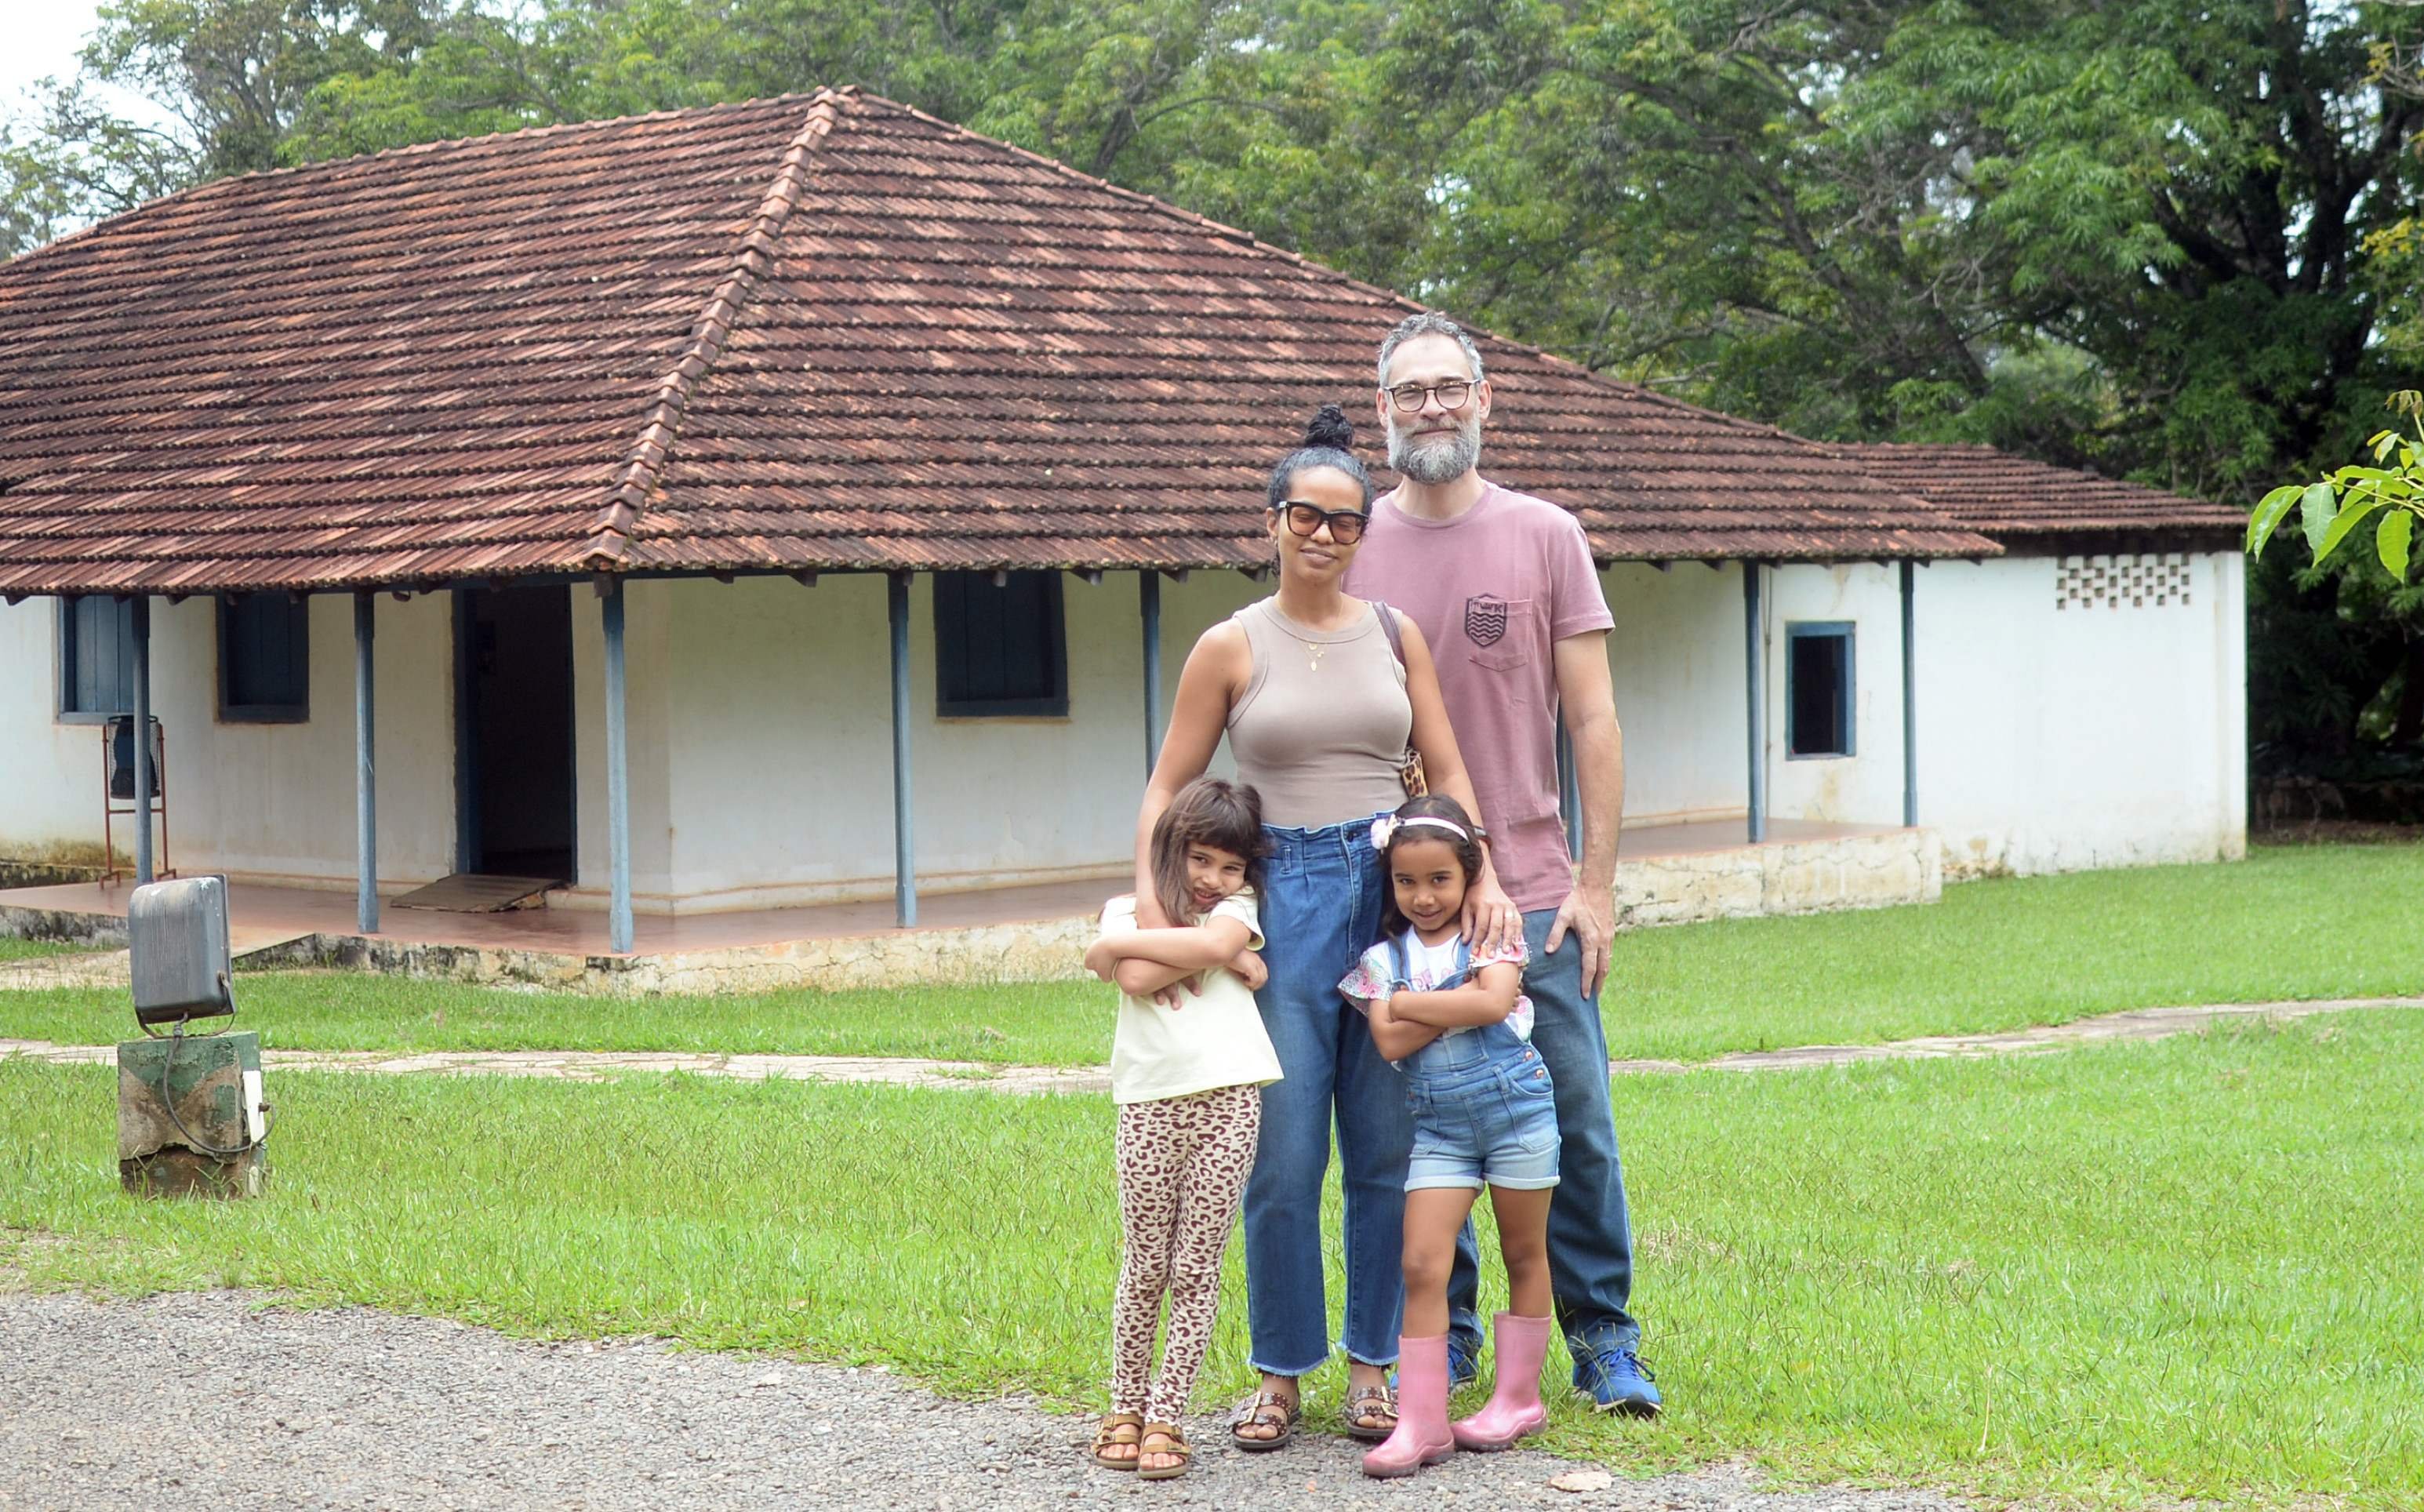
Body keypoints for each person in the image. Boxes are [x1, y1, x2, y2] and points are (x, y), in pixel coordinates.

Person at [1130, 403, 1518, 1452]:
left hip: (1390, 895)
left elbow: (1446, 767)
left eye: (1345, 521)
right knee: (1283, 1155)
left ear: (1362, 534)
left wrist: (1479, 873)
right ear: (1271, 520)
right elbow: (1166, 789)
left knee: (1387, 1151)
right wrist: (1157, 913)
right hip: (1280, 905)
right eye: (1304, 515)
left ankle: (1372, 1369)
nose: (1323, 535)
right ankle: (1279, 1372)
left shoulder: (1395, 634)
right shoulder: (1229, 644)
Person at [1344, 311, 1661, 1416]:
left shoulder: (1545, 535)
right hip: (1395, 901)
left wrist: (1594, 885)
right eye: (1409, 391)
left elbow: (1594, 720)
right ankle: (1452, 1336)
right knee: (1417, 1126)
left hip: (1530, 892)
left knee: (1573, 1121)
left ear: (1484, 400)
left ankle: (1603, 1336)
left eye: (1449, 387)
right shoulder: (1352, 546)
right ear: (1382, 411)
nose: (1430, 406)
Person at [1339, 794, 1558, 1477]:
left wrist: (1407, 1001)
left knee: (1523, 1251)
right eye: (1406, 881)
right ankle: (1422, 1422)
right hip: (1439, 1129)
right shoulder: (1383, 956)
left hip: (1518, 1110)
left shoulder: (1491, 936)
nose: (1424, 896)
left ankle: (1518, 1400)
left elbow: (1492, 1002)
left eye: (1439, 879)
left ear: (1468, 875)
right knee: (1421, 1263)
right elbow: (1385, 1041)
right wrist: (1453, 1002)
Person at [1081, 776, 1285, 1481]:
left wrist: (1119, 950)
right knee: (1145, 1264)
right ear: (1170, 849)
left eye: (1230, 865)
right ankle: (1124, 1408)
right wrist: (1216, 955)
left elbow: (1159, 955)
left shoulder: (1236, 907)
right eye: (1200, 859)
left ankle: (1168, 1416)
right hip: (1148, 1103)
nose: (1212, 879)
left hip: (1228, 1103)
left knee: (1197, 1268)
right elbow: (1136, 979)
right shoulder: (1123, 909)